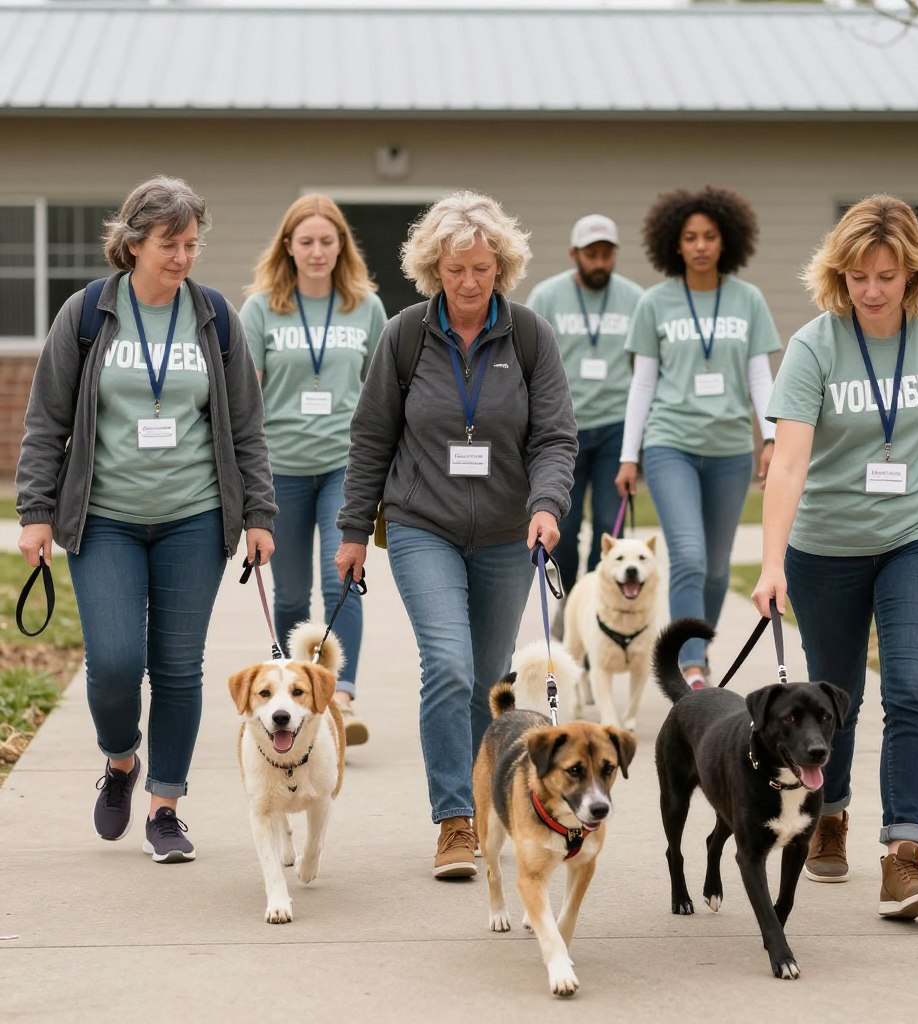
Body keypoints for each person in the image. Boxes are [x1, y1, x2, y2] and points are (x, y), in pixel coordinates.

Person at [16, 175, 276, 863]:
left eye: (191, 244)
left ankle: (165, 807)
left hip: (193, 518)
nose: (183, 257)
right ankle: (121, 761)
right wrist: (37, 512)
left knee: (179, 669)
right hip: (105, 520)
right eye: (169, 243)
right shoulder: (87, 313)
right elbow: (45, 422)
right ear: (132, 241)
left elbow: (246, 427)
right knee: (114, 664)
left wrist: (258, 512)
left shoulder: (214, 317)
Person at [752, 194, 918, 918]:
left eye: (886, 275)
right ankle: (830, 815)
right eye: (858, 276)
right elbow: (788, 465)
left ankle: (905, 856)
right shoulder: (815, 346)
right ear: (840, 275)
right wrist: (771, 563)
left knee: (915, 687)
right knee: (836, 699)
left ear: (913, 272)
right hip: (827, 546)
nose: (873, 291)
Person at [335, 191, 577, 879]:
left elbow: (556, 436)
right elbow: (371, 437)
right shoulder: (405, 335)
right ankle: (453, 821)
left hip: (507, 531)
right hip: (424, 525)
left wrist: (547, 505)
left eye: (480, 268)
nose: (469, 283)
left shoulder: (528, 337)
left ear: (501, 265)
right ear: (432, 270)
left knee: (481, 680)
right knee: (445, 663)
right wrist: (355, 531)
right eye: (454, 270)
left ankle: (485, 803)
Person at [615, 186, 781, 686]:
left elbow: (759, 377)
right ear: (675, 243)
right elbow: (642, 383)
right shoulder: (655, 302)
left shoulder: (747, 300)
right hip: (671, 445)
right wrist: (630, 456)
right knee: (686, 553)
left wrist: (771, 438)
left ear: (727, 240)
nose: (701, 245)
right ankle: (689, 663)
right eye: (691, 237)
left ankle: (699, 651)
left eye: (710, 236)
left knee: (714, 566)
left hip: (730, 449)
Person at [240, 195, 385, 746]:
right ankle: (287, 694)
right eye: (307, 242)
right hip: (282, 469)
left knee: (340, 578)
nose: (318, 251)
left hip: (345, 466)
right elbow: (246, 397)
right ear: (289, 246)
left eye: (328, 241)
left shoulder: (365, 306)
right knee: (292, 593)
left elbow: (383, 392)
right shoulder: (261, 309)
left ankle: (340, 694)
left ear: (342, 246)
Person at [525, 214, 643, 608]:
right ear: (574, 253)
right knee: (566, 528)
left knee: (611, 528)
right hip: (563, 430)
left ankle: (601, 606)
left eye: (606, 254)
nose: (599, 262)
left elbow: (643, 370)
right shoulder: (546, 296)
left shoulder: (634, 299)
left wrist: (636, 443)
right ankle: (572, 606)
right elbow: (530, 365)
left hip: (616, 427)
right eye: (591, 254)